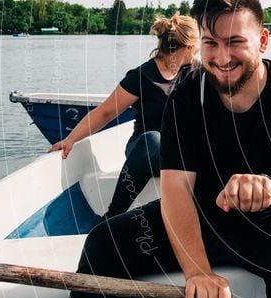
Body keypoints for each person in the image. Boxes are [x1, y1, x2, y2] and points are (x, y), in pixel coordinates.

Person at [63, 0, 271, 298]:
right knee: (106, 241)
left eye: (235, 42)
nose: (221, 57)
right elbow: (176, 189)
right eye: (210, 44)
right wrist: (198, 272)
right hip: (206, 214)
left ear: (262, 40)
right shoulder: (188, 93)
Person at [49, 13, 199, 220]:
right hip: (146, 152)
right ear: (189, 46)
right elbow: (105, 112)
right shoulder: (143, 75)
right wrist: (71, 139)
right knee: (153, 140)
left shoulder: (197, 73)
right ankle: (112, 217)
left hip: (181, 156)